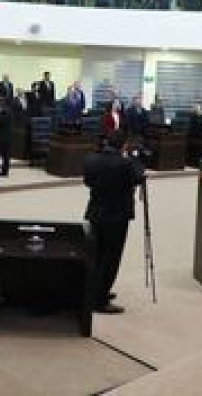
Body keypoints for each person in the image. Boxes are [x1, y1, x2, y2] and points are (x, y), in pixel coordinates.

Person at [83, 131, 145, 314]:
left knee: (96, 255)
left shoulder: (91, 159)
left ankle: (94, 292)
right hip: (117, 217)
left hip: (96, 214)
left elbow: (88, 182)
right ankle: (100, 300)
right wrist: (135, 158)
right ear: (124, 145)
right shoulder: (126, 164)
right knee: (110, 259)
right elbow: (138, 178)